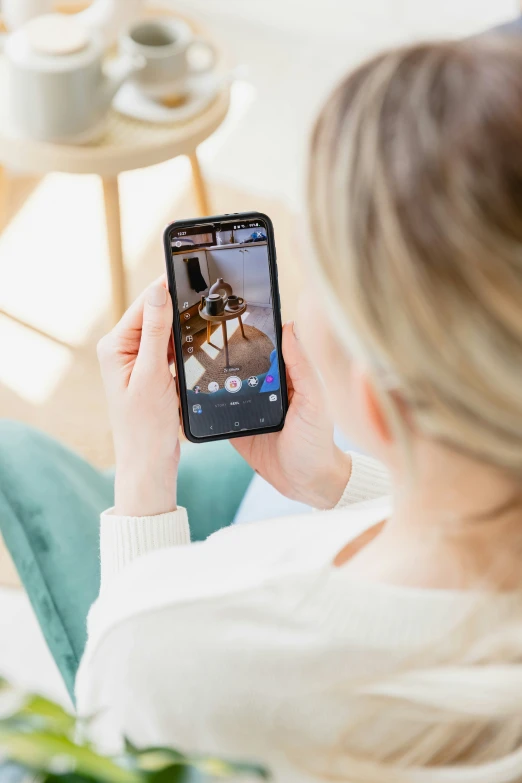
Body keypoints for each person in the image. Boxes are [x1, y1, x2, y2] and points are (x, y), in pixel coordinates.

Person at [4, 34, 522, 783]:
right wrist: (337, 481)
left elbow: (122, 745)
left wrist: (145, 484)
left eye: (321, 282)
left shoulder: (175, 645)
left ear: (373, 403)